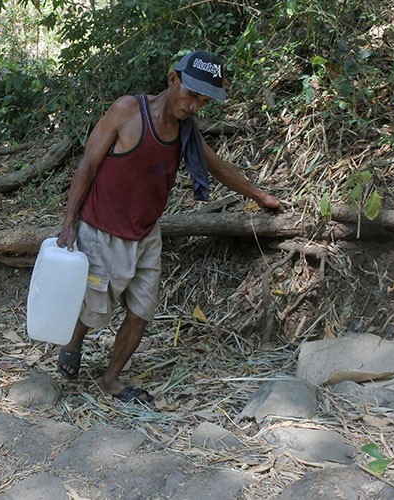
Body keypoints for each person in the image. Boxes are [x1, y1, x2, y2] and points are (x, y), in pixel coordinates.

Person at [55, 51, 284, 404]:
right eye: (192, 95)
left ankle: (112, 378)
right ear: (172, 80)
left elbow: (220, 168)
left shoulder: (185, 132)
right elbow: (87, 164)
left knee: (141, 312)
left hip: (147, 233)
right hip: (101, 228)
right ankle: (73, 342)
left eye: (204, 101)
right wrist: (70, 223)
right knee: (94, 310)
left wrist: (260, 196)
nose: (194, 106)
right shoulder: (128, 111)